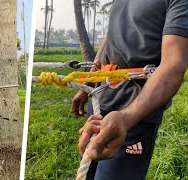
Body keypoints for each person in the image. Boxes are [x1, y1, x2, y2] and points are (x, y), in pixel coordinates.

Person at [73, 1, 188, 179]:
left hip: (134, 114)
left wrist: (127, 118)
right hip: (100, 99)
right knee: (86, 169)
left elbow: (173, 63)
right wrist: (89, 81)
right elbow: (109, 39)